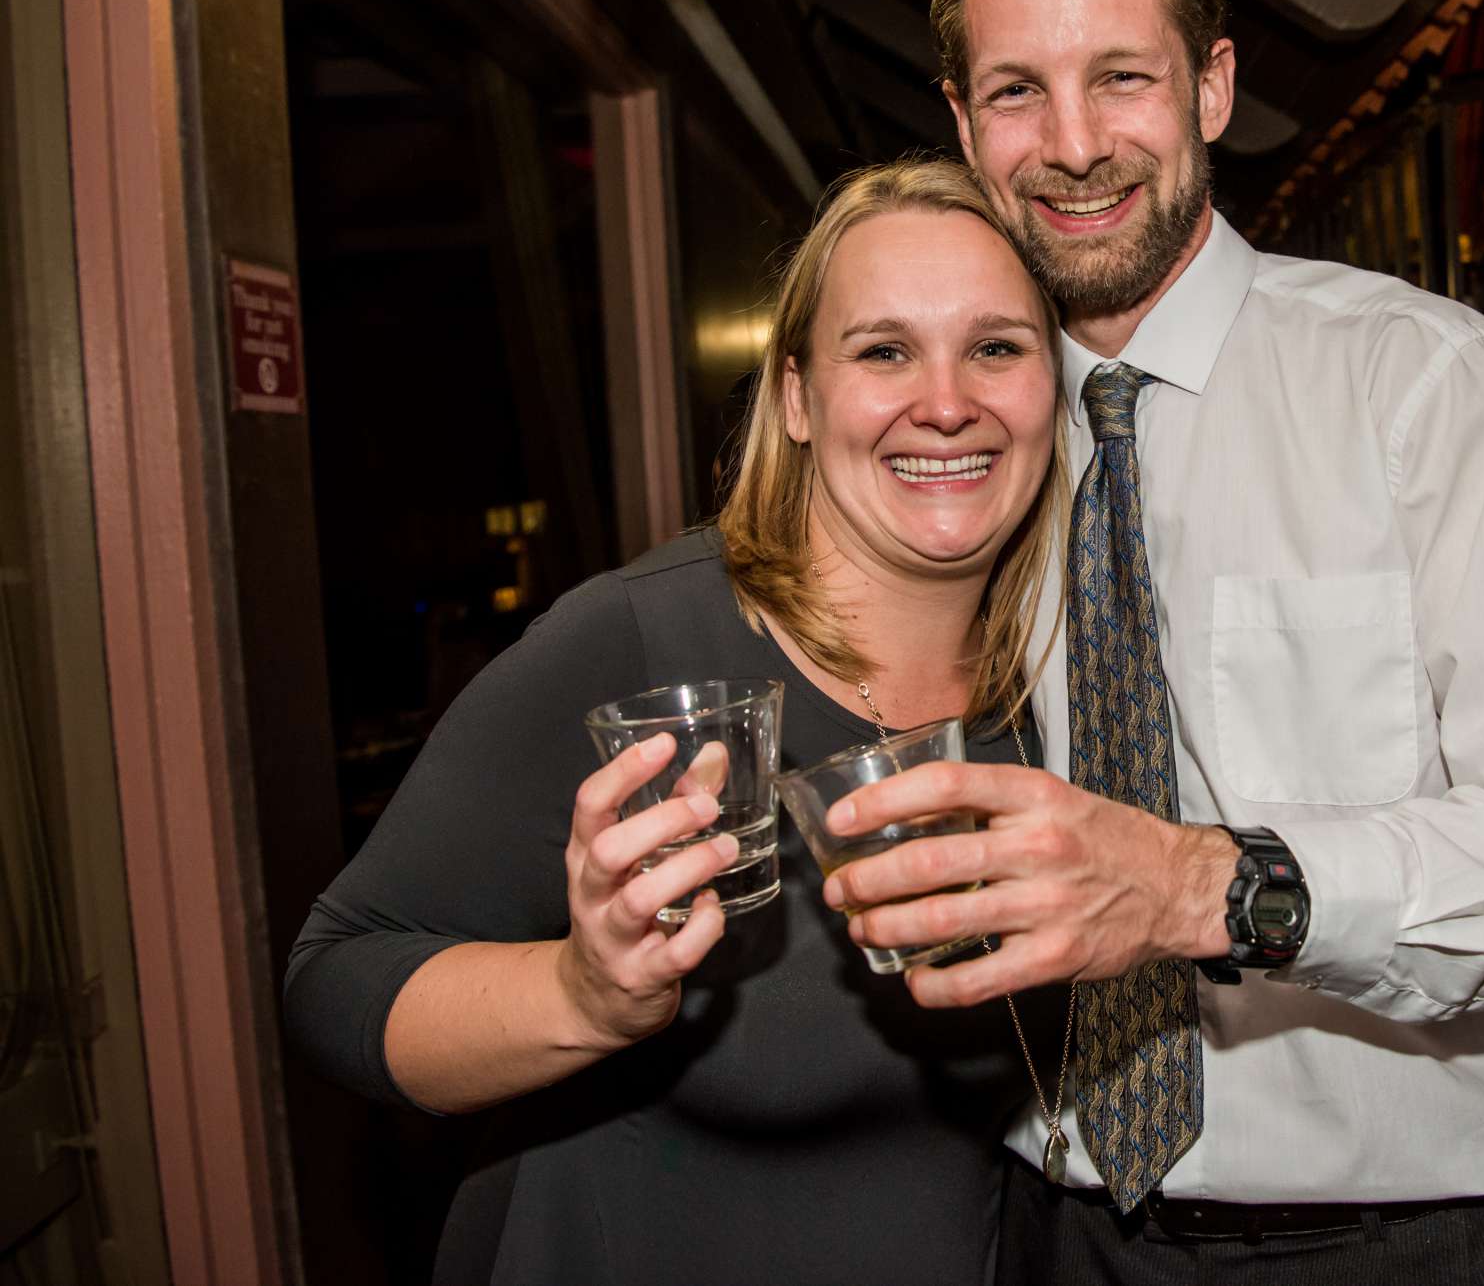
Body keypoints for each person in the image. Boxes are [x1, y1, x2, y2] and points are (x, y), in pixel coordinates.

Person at [818, 0, 1484, 1282]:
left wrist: (1209, 886)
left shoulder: (1425, 383)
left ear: (1212, 87)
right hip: (1048, 1229)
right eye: (1017, 93)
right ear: (967, 127)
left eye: (1122, 77)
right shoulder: (957, 442)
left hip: (1392, 1246)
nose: (1077, 144)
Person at [284, 159, 1070, 1283]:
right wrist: (580, 995)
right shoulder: (643, 648)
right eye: (884, 350)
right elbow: (332, 978)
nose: (946, 401)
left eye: (996, 346)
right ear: (796, 398)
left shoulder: (1057, 689)